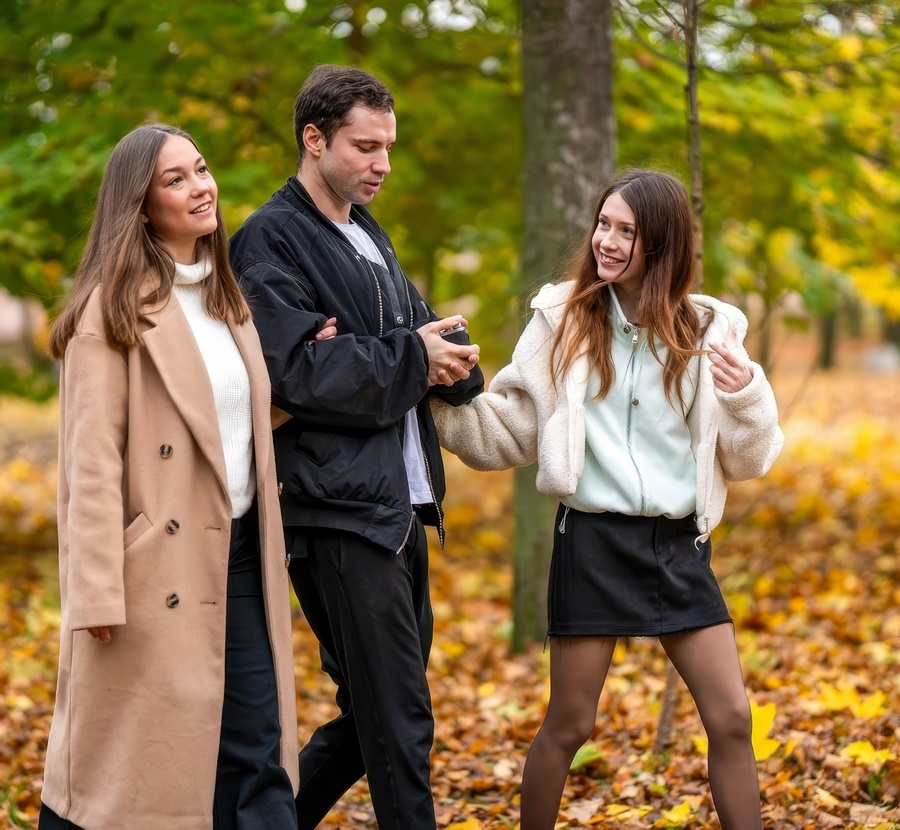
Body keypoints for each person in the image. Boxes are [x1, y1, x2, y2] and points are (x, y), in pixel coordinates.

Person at [432, 169, 784, 830]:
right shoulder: (561, 320)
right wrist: (435, 407)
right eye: (604, 224)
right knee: (570, 723)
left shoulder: (710, 329)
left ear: (665, 245)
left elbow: (749, 457)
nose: (608, 241)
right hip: (593, 542)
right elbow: (514, 426)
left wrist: (746, 394)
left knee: (732, 717)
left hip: (679, 547)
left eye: (628, 231)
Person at [38, 123, 322, 830]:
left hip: (241, 550)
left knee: (257, 747)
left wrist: (311, 372)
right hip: (153, 566)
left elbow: (220, 419)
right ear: (139, 204)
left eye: (201, 169)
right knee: (145, 765)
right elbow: (91, 461)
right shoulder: (109, 313)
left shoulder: (229, 300)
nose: (201, 187)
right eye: (176, 179)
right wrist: (96, 590)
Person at [229, 65, 484, 830]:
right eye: (366, 148)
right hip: (335, 511)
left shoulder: (366, 232)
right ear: (314, 139)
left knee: (375, 710)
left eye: (389, 148)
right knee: (400, 721)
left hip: (399, 505)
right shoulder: (270, 239)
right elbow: (296, 373)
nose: (383, 166)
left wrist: (443, 361)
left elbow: (420, 329)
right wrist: (409, 355)